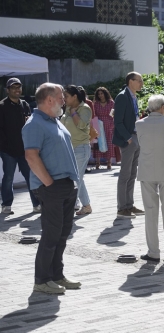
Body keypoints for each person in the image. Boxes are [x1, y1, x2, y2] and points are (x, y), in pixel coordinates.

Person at [22, 83, 81, 294]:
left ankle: (57, 275)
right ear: (49, 100)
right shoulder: (34, 124)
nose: (64, 101)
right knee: (51, 235)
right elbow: (31, 156)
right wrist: (49, 183)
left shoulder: (55, 121)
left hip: (66, 185)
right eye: (60, 97)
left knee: (62, 234)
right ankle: (42, 279)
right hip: (52, 187)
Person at [136, 95, 164, 262]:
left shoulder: (139, 124)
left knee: (150, 211)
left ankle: (153, 251)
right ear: (162, 107)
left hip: (147, 170)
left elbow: (141, 144)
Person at [0, 77, 41, 214]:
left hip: (25, 150)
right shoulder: (2, 106)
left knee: (31, 177)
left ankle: (36, 204)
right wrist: (5, 146)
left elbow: (29, 125)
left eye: (19, 87)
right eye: (13, 87)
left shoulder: (25, 104)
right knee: (8, 178)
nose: (17, 90)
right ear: (7, 90)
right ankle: (6, 205)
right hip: (8, 151)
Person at [112, 72, 145, 218]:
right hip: (128, 139)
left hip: (135, 137)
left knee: (132, 174)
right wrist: (128, 138)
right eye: (139, 81)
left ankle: (129, 205)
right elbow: (117, 121)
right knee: (125, 174)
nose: (142, 83)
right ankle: (121, 208)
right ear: (131, 81)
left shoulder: (133, 96)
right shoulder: (122, 96)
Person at [61, 85, 92, 215]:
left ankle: (69, 207)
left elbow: (80, 124)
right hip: (70, 148)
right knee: (78, 178)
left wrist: (73, 112)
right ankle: (86, 206)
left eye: (66, 96)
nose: (64, 99)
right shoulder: (67, 108)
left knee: (75, 178)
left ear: (74, 96)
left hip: (81, 148)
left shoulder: (85, 108)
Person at [93, 87, 115, 169]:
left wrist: (112, 124)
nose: (100, 95)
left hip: (108, 123)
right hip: (98, 124)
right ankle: (97, 163)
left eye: (101, 93)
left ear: (105, 93)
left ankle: (109, 163)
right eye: (98, 94)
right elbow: (94, 114)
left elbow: (113, 114)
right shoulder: (96, 104)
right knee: (98, 142)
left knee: (109, 142)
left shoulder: (111, 103)